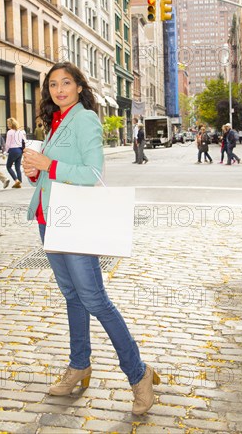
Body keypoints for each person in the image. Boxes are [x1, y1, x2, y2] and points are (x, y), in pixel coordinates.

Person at [22, 62, 160, 415]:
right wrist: (36, 170)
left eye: (66, 82)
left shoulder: (83, 119)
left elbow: (92, 173)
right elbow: (53, 172)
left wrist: (48, 164)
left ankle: (138, 373)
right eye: (53, 84)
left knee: (95, 300)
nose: (59, 89)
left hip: (75, 222)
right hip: (50, 219)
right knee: (72, 297)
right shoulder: (55, 122)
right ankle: (79, 364)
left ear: (80, 87)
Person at [5, 118, 26, 188]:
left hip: (13, 150)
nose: (7, 125)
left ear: (11, 124)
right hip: (20, 150)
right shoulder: (20, 132)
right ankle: (19, 182)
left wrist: (6, 151)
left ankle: (16, 180)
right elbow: (25, 140)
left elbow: (8, 143)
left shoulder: (10, 132)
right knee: (17, 167)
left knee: (8, 166)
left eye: (8, 123)